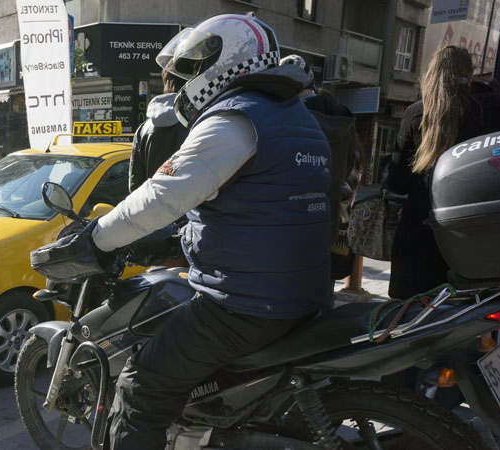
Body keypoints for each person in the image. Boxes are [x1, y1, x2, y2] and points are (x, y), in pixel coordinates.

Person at [40, 15, 331, 450]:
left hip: (244, 305)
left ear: (224, 61)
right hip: (305, 292)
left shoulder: (234, 120)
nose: (188, 81)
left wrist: (94, 239)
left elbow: (159, 196)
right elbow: (263, 210)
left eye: (194, 68)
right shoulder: (298, 118)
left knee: (140, 386)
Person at [385, 46, 500, 299]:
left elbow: (398, 183)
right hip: (485, 240)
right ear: (471, 73)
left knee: (416, 318)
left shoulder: (417, 113)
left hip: (422, 239)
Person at [281, 54, 364, 305]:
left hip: (289, 231)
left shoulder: (288, 119)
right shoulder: (344, 123)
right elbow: (354, 176)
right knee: (321, 300)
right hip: (328, 228)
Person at [129, 69, 189, 193]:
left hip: (152, 202)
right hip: (188, 203)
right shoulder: (198, 123)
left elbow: (135, 185)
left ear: (165, 83)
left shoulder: (143, 130)